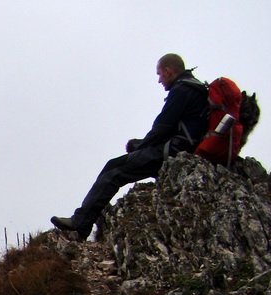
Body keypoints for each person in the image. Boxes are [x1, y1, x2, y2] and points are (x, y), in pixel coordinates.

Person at [51, 53, 209, 240]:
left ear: (168, 71)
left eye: (159, 74)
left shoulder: (181, 91)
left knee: (115, 171)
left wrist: (139, 146)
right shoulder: (196, 88)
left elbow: (162, 128)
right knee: (113, 165)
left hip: (174, 152)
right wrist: (141, 145)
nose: (159, 80)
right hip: (183, 149)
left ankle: (79, 224)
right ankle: (82, 223)